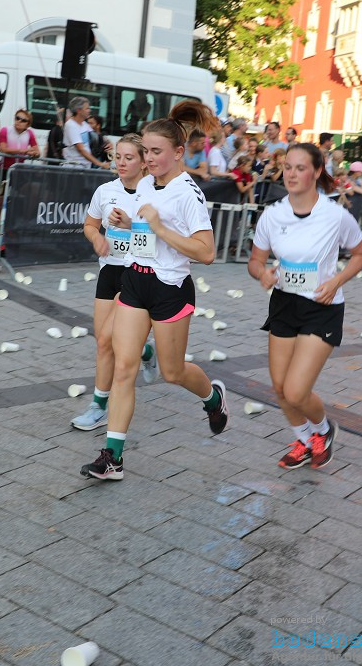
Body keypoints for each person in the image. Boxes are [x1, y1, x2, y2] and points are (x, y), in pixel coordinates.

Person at [80, 100, 228, 480]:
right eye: (146, 151)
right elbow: (145, 229)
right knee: (124, 367)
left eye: (156, 152)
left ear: (179, 153)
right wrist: (128, 222)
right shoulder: (146, 182)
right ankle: (112, 457)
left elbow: (207, 252)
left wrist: (160, 229)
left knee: (172, 372)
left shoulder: (188, 192)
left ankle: (212, 398)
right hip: (134, 280)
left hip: (170, 289)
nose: (148, 159)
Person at [248, 143, 362, 469]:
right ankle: (305, 439)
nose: (291, 173)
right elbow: (255, 261)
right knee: (279, 387)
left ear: (316, 172)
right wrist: (263, 273)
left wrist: (336, 281)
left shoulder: (335, 215)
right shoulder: (273, 214)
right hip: (284, 303)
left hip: (322, 305)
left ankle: (323, 430)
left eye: (300, 168)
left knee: (297, 390)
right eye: (287, 166)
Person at [72, 134, 158, 431]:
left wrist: (131, 226)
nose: (121, 162)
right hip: (110, 270)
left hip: (137, 271)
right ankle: (146, 352)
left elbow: (160, 239)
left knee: (109, 339)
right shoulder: (105, 191)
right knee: (102, 341)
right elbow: (90, 224)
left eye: (129, 157)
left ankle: (99, 406)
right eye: (118, 157)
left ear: (144, 161)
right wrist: (96, 237)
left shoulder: (153, 194)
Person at [63, 97, 109, 168]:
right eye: (87, 108)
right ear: (79, 110)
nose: (89, 111)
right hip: (74, 167)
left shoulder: (84, 124)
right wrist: (100, 164)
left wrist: (108, 143)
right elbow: (81, 149)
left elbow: (97, 135)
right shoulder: (71, 125)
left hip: (85, 166)